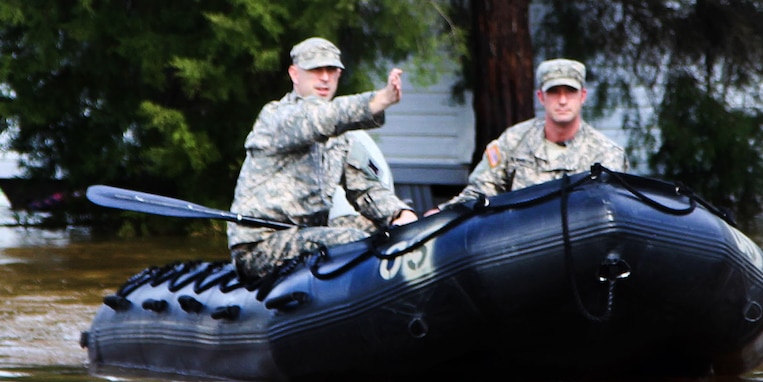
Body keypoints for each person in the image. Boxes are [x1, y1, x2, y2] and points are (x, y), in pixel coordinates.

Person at [229, 37, 418, 280]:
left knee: (380, 232)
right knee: (354, 241)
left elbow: (365, 189)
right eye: (316, 70)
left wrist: (399, 216)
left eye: (332, 70)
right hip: (262, 244)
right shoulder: (276, 117)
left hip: (308, 233)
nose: (325, 78)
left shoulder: (341, 136)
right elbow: (318, 119)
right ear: (295, 74)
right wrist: (378, 101)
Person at [448, 59, 626, 206]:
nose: (562, 100)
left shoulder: (606, 154)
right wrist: (442, 214)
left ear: (583, 96)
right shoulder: (514, 141)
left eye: (570, 92)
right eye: (554, 92)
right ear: (541, 97)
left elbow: (615, 209)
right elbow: (478, 192)